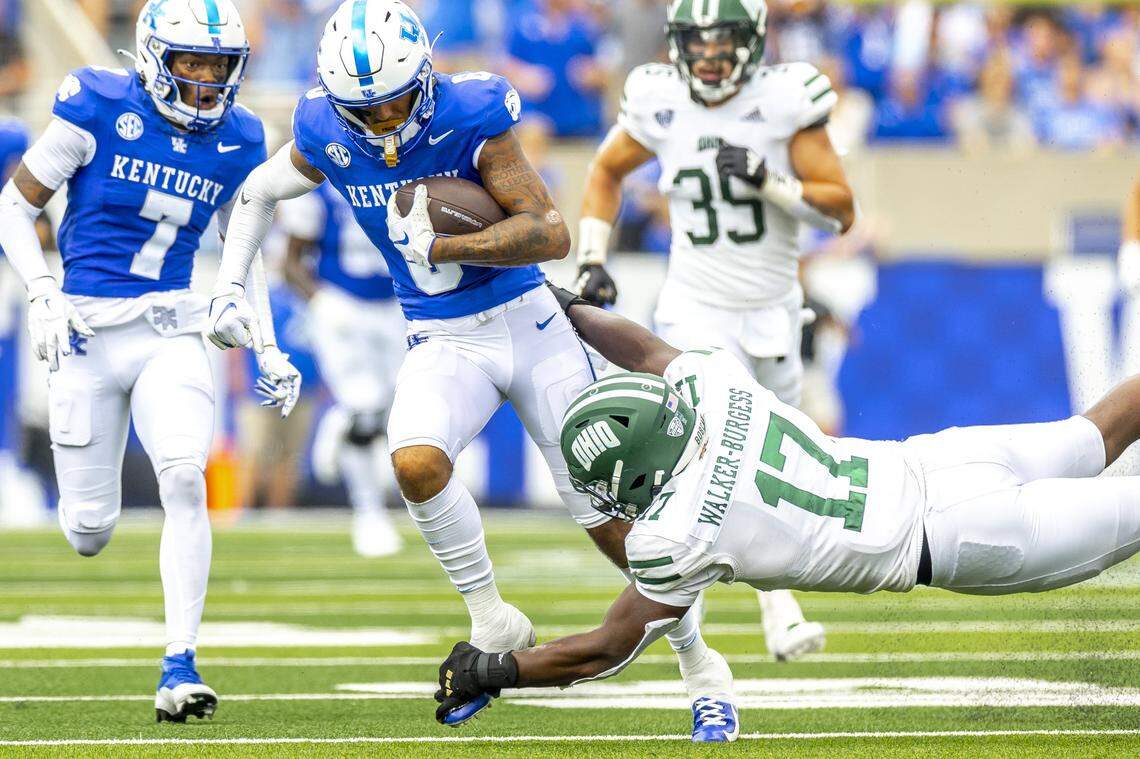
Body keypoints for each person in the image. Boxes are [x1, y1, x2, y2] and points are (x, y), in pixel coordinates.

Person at [207, 0, 737, 741]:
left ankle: (700, 665)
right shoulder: (325, 125)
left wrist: (449, 247)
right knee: (416, 463)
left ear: (425, 76)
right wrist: (231, 287)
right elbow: (259, 193)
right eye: (368, 108)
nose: (387, 121)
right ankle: (493, 618)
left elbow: (550, 232)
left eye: (396, 99)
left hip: (532, 326)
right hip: (441, 336)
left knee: (614, 521)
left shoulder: (470, 114)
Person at [434, 284, 1140, 737]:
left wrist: (497, 671)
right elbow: (645, 348)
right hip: (940, 459)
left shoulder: (675, 534)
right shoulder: (714, 387)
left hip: (963, 538)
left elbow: (605, 648)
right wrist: (562, 301)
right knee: (1101, 429)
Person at [0, 0, 301, 723]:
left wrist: (263, 338)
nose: (205, 80)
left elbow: (242, 241)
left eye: (218, 66)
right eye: (191, 63)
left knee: (185, 478)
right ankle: (96, 528)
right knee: (88, 530)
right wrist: (40, 288)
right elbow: (13, 205)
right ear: (153, 57)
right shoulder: (95, 103)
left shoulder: (238, 136)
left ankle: (180, 663)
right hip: (85, 332)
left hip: (170, 329)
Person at [574, 0, 855, 664]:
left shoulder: (787, 98)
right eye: (694, 43)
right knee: (716, 448)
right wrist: (591, 257)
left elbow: (839, 213)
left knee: (781, 456)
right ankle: (749, 612)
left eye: (720, 41)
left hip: (774, 308)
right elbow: (607, 170)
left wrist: (771, 183)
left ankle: (762, 595)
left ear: (753, 42)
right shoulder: (659, 98)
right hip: (694, 307)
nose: (706, 56)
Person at [279, 183, 405, 557]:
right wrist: (320, 302)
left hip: (402, 303)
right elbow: (291, 261)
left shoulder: (406, 161)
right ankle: (369, 513)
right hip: (343, 303)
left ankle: (341, 420)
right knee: (365, 408)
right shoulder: (317, 178)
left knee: (402, 408)